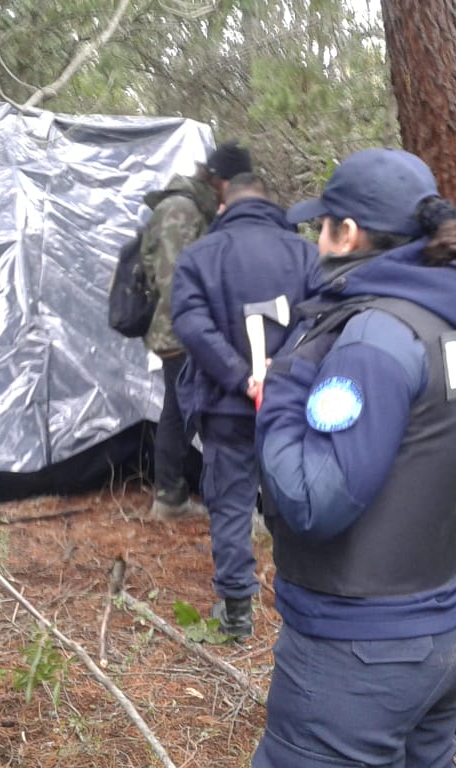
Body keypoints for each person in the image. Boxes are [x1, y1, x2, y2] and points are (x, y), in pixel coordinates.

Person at [253, 148, 456, 767]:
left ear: (348, 232)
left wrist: (279, 387)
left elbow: (312, 500)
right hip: (443, 627)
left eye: (321, 226)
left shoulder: (375, 335)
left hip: (360, 652)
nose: (316, 242)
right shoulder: (455, 315)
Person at [170, 173, 321, 639]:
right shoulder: (305, 254)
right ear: (269, 202)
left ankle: (237, 614)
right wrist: (280, 371)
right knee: (293, 495)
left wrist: (240, 376)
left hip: (226, 405)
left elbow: (191, 324)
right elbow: (325, 314)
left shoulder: (199, 256)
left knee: (231, 504)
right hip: (289, 401)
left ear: (223, 206)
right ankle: (309, 601)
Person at [140, 140, 253, 519]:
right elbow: (175, 285)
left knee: (180, 408)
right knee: (202, 410)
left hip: (185, 329)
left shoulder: (195, 209)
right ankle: (212, 498)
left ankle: (170, 496)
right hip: (181, 332)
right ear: (220, 181)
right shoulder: (179, 211)